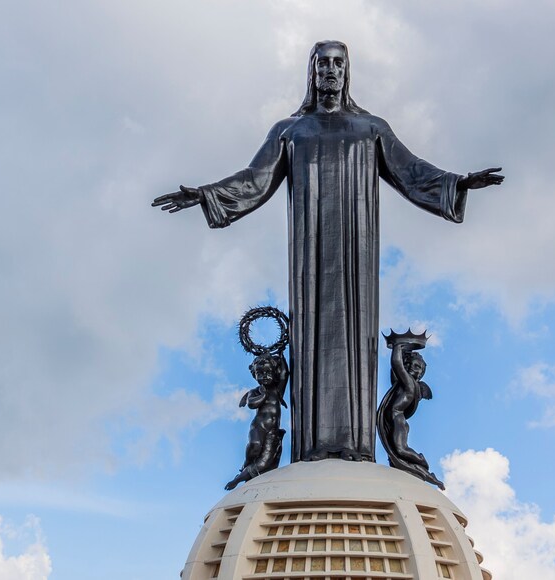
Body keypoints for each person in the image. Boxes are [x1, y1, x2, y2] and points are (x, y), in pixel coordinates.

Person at [154, 40, 503, 463]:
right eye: (323, 64)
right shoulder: (291, 131)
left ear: (347, 72)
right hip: (310, 252)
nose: (330, 71)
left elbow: (411, 172)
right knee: (314, 333)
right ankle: (312, 448)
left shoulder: (371, 128)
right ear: (312, 72)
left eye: (338, 63)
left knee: (354, 331)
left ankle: (355, 446)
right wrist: (206, 194)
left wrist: (458, 183)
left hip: (358, 253)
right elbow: (255, 179)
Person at [377, 332, 444, 489]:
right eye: (416, 366)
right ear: (408, 365)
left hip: (398, 420)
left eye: (421, 371)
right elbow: (395, 371)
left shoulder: (410, 384)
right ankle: (425, 474)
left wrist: (397, 346)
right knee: (395, 456)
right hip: (392, 420)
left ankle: (421, 461)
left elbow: (396, 365)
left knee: (400, 449)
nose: (418, 372)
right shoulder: (401, 384)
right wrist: (402, 351)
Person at [225, 353, 288, 490]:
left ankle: (239, 479)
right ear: (255, 375)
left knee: (264, 461)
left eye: (268, 373)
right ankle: (246, 465)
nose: (265, 376)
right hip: (259, 426)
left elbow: (284, 374)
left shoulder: (277, 391)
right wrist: (263, 395)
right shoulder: (254, 392)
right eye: (260, 373)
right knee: (255, 445)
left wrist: (282, 355)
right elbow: (252, 404)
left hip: (273, 430)